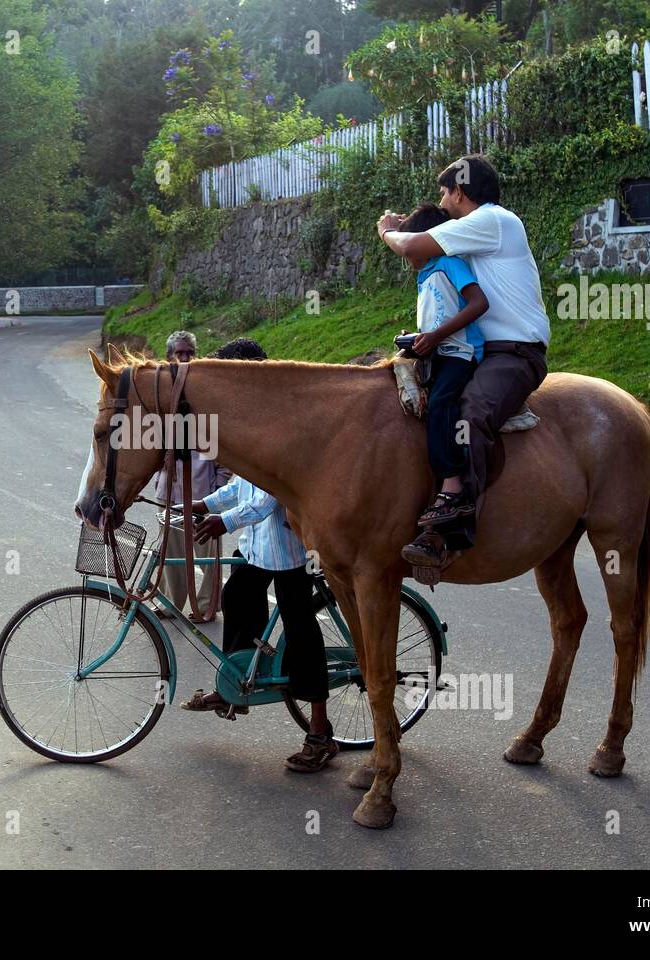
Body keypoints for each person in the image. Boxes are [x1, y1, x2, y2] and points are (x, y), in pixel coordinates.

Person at [377, 153, 550, 556]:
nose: (442, 199)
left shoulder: (493, 220)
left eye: (444, 191)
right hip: (480, 351)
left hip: (515, 351)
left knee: (469, 411)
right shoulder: (470, 233)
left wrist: (388, 231)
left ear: (459, 190)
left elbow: (414, 245)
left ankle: (454, 516)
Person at [180, 337, 336, 773]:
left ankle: (320, 732)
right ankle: (238, 681)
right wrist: (205, 504)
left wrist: (224, 522)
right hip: (257, 546)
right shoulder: (248, 420)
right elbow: (242, 484)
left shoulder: (279, 421)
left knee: (302, 633)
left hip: (288, 549)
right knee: (237, 597)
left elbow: (270, 493)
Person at [390, 202, 489, 566]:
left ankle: (451, 484)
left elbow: (478, 304)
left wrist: (436, 336)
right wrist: (418, 337)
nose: (408, 255)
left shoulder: (450, 265)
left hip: (460, 353)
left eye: (414, 245)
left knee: (441, 404)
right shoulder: (426, 273)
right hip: (438, 350)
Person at [152, 331, 229, 620]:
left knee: (208, 554)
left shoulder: (206, 395)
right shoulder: (160, 397)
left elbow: (224, 450)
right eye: (179, 353)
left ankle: (208, 605)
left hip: (203, 492)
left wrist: (217, 488)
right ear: (169, 356)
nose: (184, 358)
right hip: (168, 490)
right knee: (170, 554)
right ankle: (169, 603)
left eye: (189, 353)